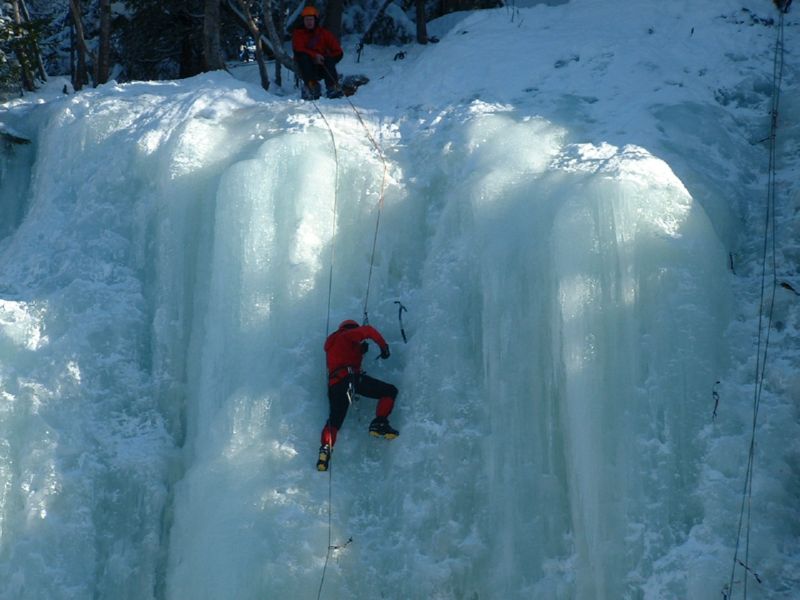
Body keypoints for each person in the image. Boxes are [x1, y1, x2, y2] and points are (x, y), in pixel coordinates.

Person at [317, 319, 399, 471]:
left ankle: (325, 449)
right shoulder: (346, 335)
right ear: (351, 329)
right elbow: (367, 330)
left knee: (334, 421)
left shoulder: (332, 344)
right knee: (390, 391)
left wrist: (360, 351)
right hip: (350, 378)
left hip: (335, 386)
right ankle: (380, 422)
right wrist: (383, 347)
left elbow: (344, 355)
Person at [292, 6, 344, 100]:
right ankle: (311, 86)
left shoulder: (324, 34)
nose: (309, 22)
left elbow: (338, 52)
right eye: (306, 20)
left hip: (322, 66)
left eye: (311, 19)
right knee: (303, 57)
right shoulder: (298, 34)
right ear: (303, 21)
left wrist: (326, 59)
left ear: (315, 20)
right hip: (306, 66)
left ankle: (333, 87)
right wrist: (314, 56)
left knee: (329, 59)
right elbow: (298, 49)